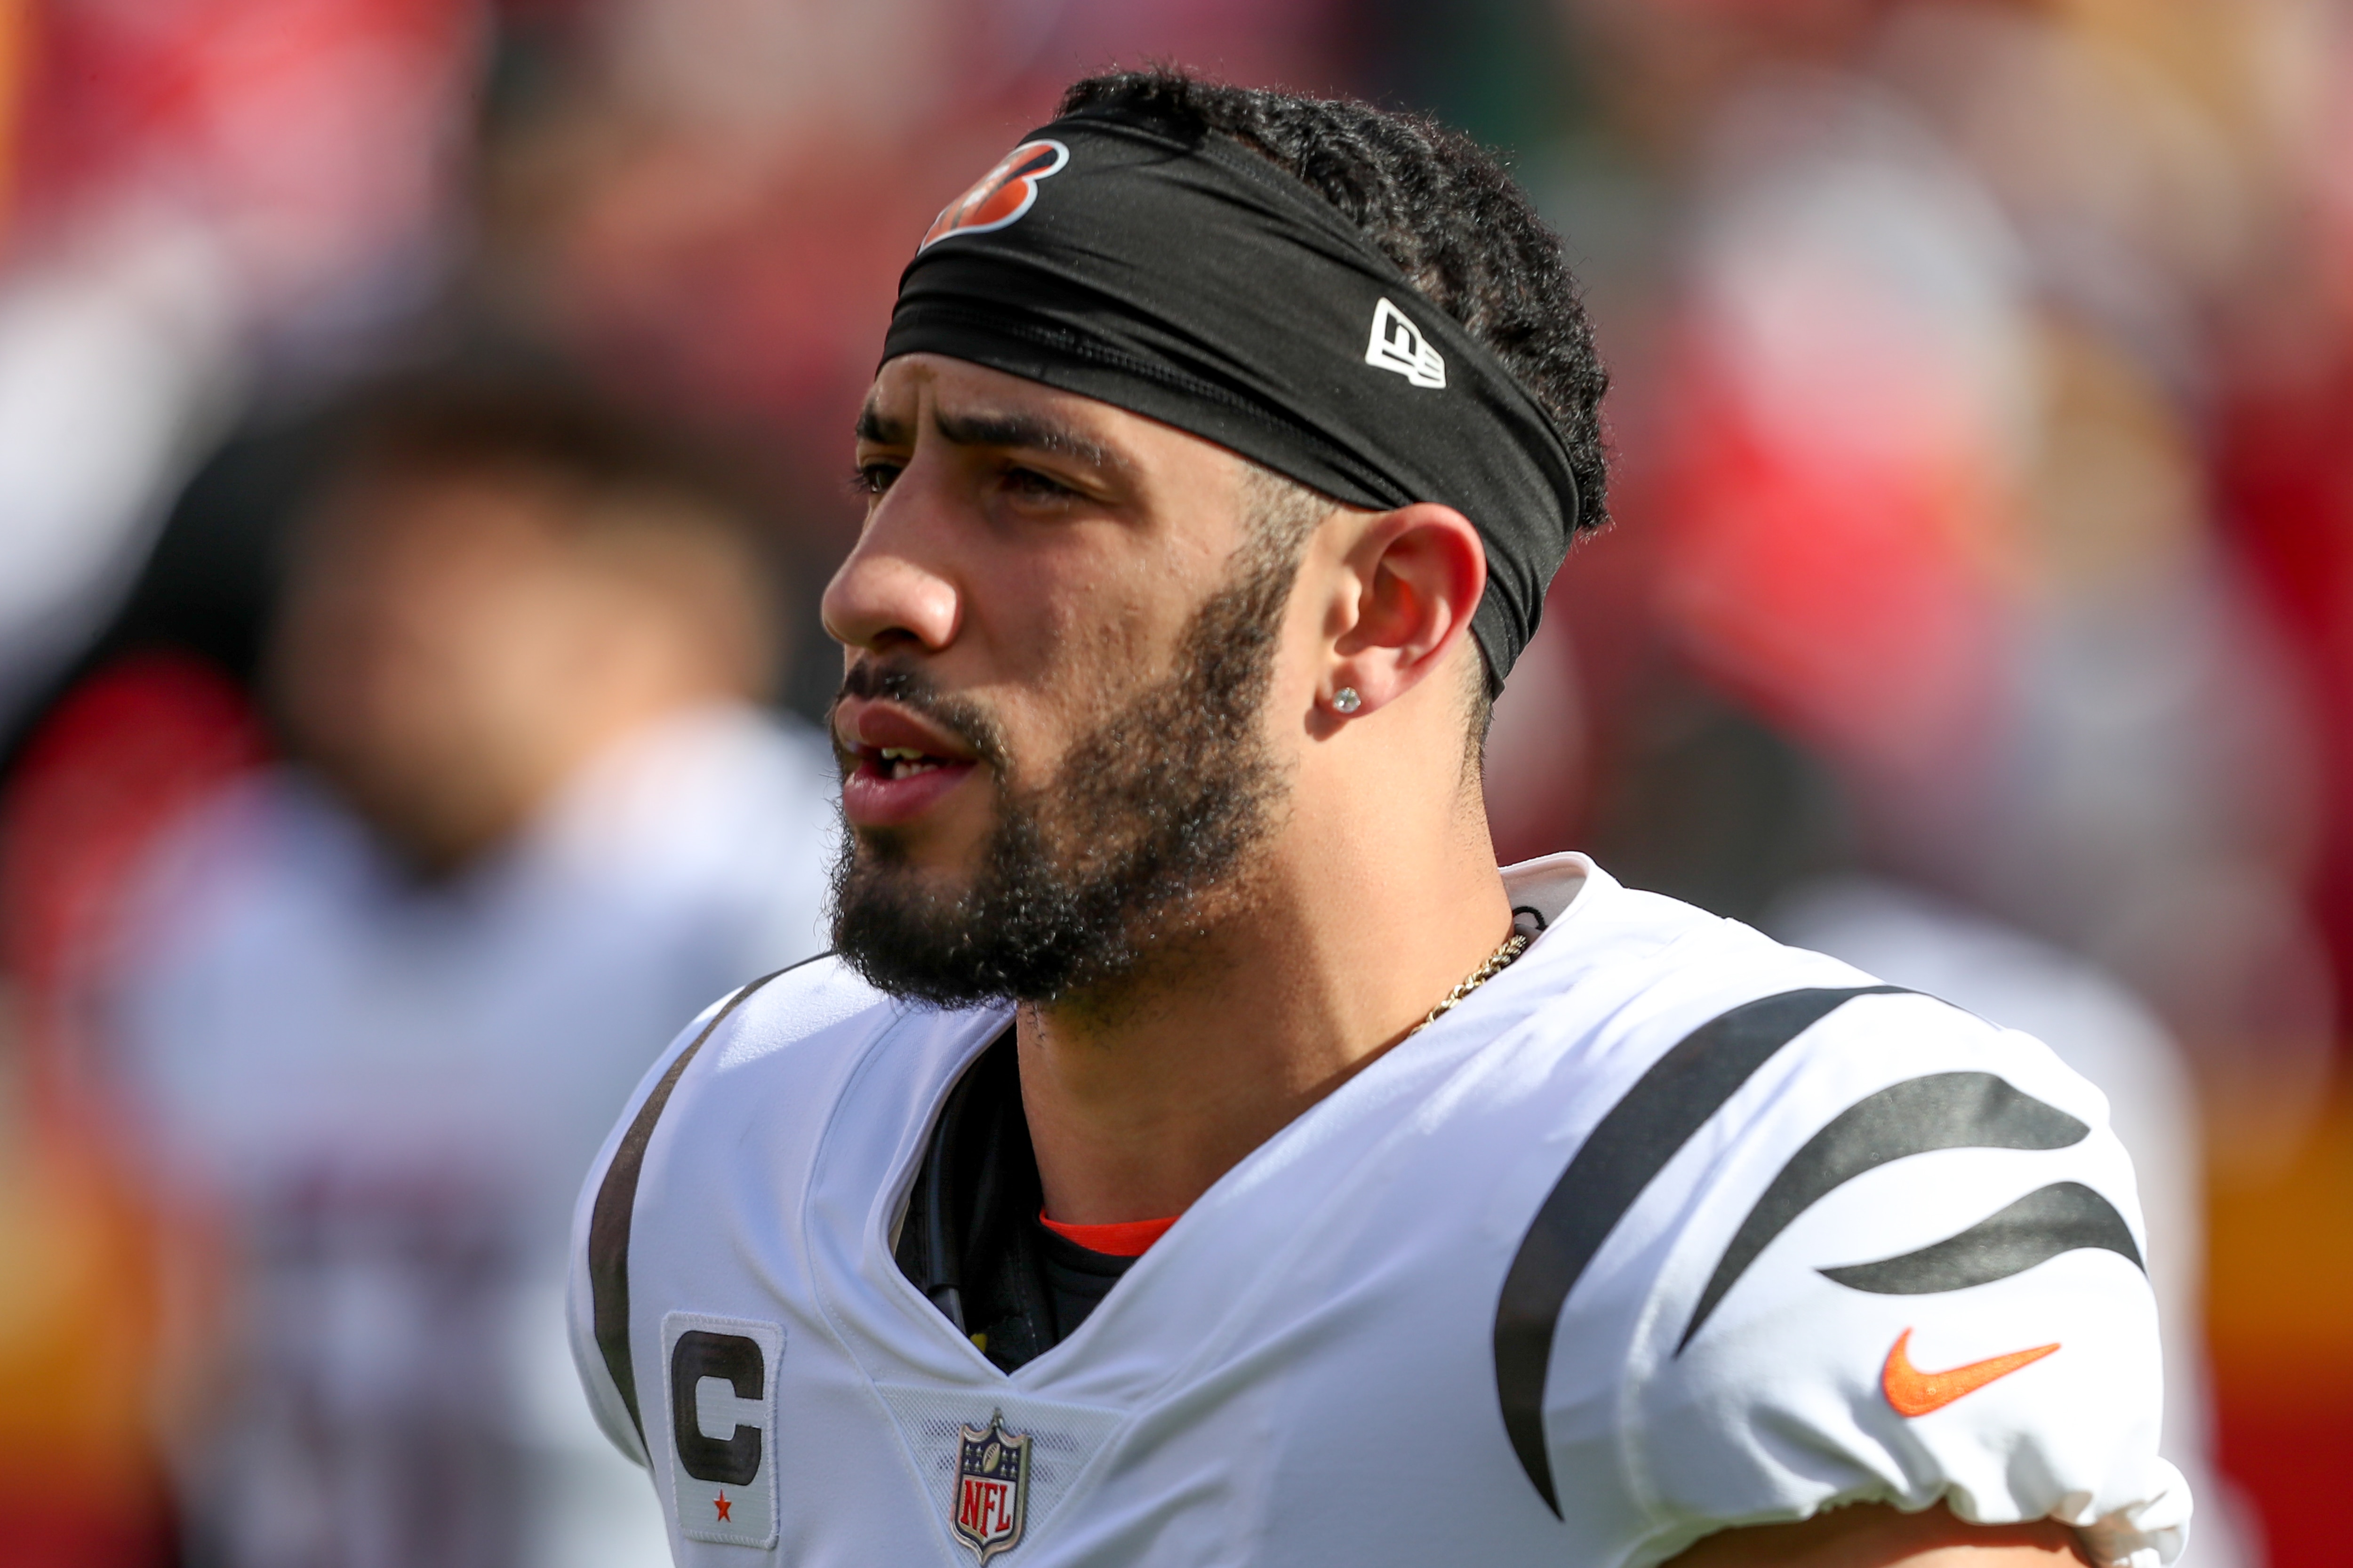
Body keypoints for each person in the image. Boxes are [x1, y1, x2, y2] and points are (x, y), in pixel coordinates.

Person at [569, 72, 2185, 1568]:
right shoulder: (735, 1151)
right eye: (883, 470)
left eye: (1033, 488)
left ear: (1384, 613)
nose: (874, 585)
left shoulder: (1720, 1201)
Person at [106, 373, 838, 1568]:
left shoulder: (755, 892)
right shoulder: (227, 902)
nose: (373, 609)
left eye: (453, 565)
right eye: (356, 562)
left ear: (648, 627)